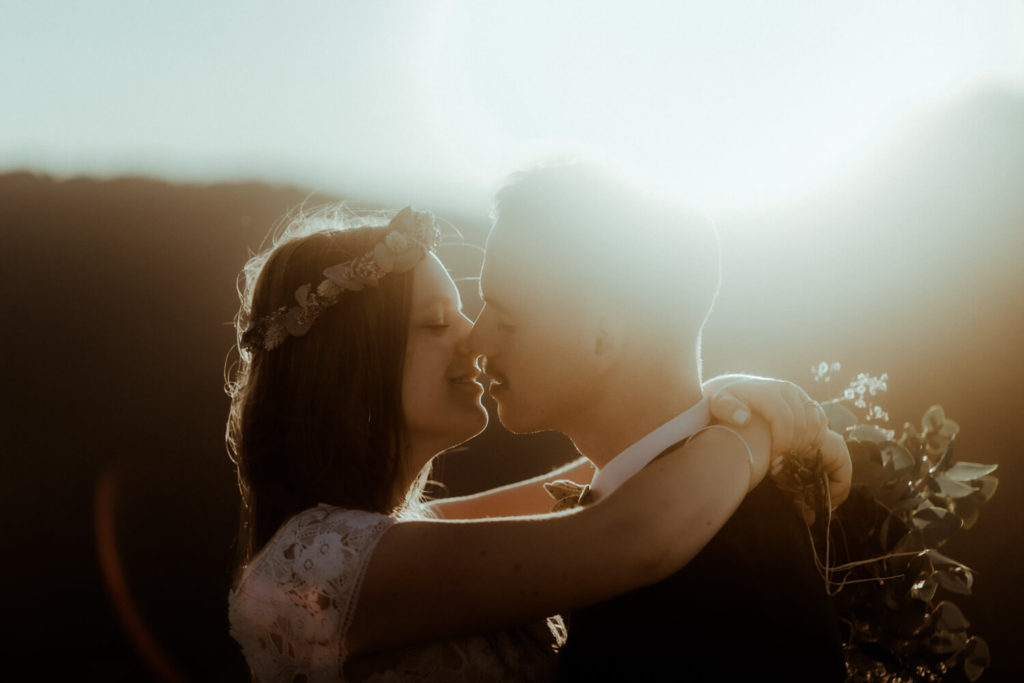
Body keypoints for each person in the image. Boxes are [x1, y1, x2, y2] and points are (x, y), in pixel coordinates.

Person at [225, 205, 850, 681]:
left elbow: (593, 488)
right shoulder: (314, 567)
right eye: (438, 323)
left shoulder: (396, 536)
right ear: (351, 369)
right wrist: (753, 429)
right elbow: (624, 536)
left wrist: (711, 400)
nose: (472, 341)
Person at [469, 161, 849, 681]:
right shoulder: (716, 512)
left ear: (602, 335)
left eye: (506, 318)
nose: (475, 341)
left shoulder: (712, 574)